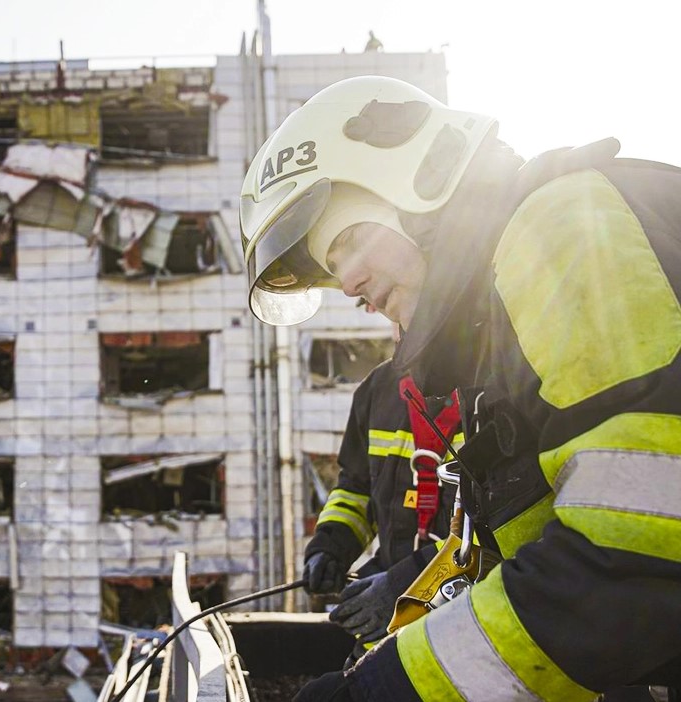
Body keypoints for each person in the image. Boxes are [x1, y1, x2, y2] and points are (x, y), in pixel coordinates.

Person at [239, 75, 681, 700]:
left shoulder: (564, 228)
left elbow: (637, 557)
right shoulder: (496, 337)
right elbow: (523, 557)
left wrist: (379, 692)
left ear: (419, 183)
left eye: (347, 245)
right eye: (336, 277)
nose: (355, 291)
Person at [305, 340, 463, 650]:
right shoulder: (378, 388)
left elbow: (499, 531)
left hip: (464, 614)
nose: (371, 306)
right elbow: (357, 487)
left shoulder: (494, 394)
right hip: (385, 603)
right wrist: (331, 547)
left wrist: (407, 583)